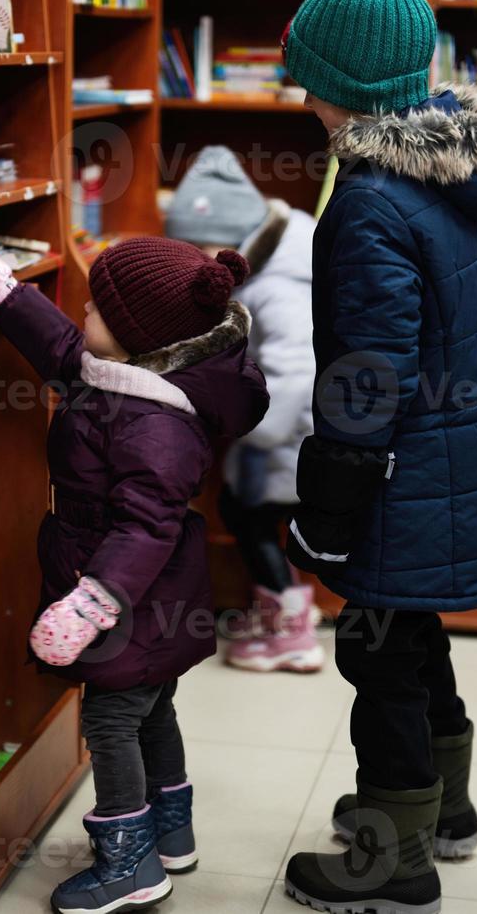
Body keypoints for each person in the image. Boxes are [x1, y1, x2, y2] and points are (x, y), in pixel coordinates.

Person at [276, 0, 477, 911]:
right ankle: (443, 811)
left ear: (347, 88)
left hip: (401, 470)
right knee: (413, 632)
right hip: (451, 456)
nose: (303, 100)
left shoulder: (370, 201)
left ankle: (392, 859)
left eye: (311, 83)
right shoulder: (451, 169)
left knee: (375, 646)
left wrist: (329, 503)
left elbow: (369, 374)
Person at [0, 237, 268, 914]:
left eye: (97, 307)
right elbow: (71, 357)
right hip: (153, 597)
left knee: (111, 717)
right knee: (153, 708)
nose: (85, 312)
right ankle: (170, 829)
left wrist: (93, 601)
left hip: (130, 597)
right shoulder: (129, 375)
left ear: (135, 339)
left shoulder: (153, 424)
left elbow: (146, 526)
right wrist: (13, 297)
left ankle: (129, 861)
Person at [164, 145, 325, 672]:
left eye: (203, 249)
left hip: (288, 433)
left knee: (251, 517)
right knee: (248, 515)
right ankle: (282, 606)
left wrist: (252, 429)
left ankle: (292, 632)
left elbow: (295, 368)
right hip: (280, 430)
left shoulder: (280, 287)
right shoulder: (271, 259)